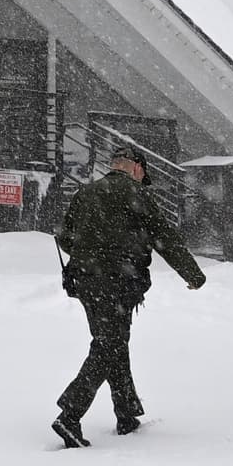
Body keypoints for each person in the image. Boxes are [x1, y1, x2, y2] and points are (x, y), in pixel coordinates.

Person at [52, 145, 206, 448]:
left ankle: (126, 413)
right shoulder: (138, 195)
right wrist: (192, 274)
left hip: (85, 282)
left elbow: (65, 236)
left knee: (112, 342)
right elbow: (165, 238)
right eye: (143, 172)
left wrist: (89, 256)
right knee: (109, 346)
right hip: (118, 284)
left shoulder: (86, 192)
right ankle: (70, 415)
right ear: (136, 167)